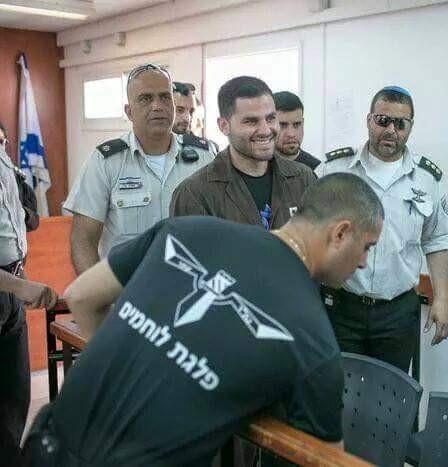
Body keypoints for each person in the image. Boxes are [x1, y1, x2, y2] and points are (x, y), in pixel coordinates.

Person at [23, 173, 383, 467]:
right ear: (340, 233)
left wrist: (133, 356)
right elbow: (325, 460)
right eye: (367, 246)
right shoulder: (313, 338)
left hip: (49, 442)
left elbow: (81, 296)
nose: (364, 262)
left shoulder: (184, 231)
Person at [316, 85, 448, 373]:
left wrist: (441, 299)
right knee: (337, 387)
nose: (391, 130)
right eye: (383, 120)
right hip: (342, 307)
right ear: (369, 120)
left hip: (397, 313)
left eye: (400, 124)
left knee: (392, 392)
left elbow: (437, 240)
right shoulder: (334, 170)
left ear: (410, 127)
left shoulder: (426, 179)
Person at [63, 64, 216, 275]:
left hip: (192, 285)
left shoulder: (204, 157)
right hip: (128, 288)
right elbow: (83, 240)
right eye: (145, 99)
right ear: (129, 111)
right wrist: (98, 292)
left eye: (165, 97)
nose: (157, 106)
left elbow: (223, 226)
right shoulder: (106, 162)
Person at [171, 77, 315, 230]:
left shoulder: (303, 179)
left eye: (271, 118)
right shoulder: (195, 193)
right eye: (251, 121)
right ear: (224, 126)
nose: (265, 130)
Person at [0, 143, 57, 465]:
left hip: (10, 288)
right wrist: (19, 286)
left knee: (14, 398)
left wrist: (19, 278)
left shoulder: (3, 156)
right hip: (10, 285)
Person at [273, 91, 320, 170]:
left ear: (303, 124)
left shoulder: (316, 170)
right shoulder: (257, 168)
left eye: (297, 124)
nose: (291, 134)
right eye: (282, 125)